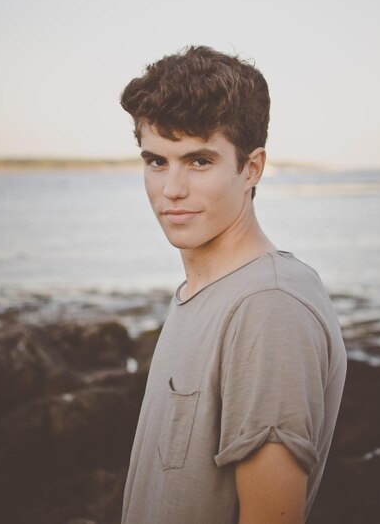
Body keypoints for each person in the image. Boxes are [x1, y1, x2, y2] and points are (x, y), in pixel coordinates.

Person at [119, 45, 347, 524]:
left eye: (199, 161)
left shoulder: (268, 307)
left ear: (252, 168)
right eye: (157, 161)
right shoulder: (203, 292)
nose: (171, 189)